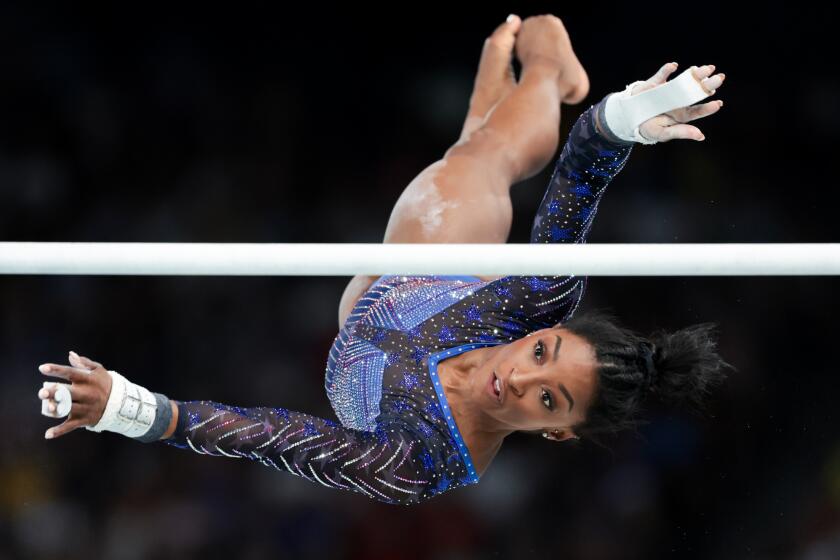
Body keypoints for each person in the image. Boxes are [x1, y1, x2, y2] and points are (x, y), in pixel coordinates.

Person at [37, 14, 735, 505]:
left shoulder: (421, 464)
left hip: (367, 309)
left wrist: (133, 409)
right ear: (543, 330)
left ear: (558, 430)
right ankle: (551, 66)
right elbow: (579, 172)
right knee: (474, 167)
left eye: (550, 398)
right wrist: (623, 119)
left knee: (461, 161)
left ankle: (483, 111)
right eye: (544, 351)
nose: (520, 374)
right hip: (434, 266)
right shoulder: (536, 300)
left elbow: (283, 439)